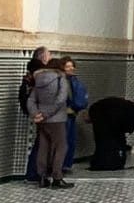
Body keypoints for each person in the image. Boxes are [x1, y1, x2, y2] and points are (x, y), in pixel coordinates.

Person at [26, 57, 74, 190]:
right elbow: (61, 100)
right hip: (57, 119)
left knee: (44, 147)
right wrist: (47, 114)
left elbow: (31, 100)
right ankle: (57, 177)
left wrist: (37, 114)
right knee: (61, 147)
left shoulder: (39, 79)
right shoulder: (61, 79)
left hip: (42, 121)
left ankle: (42, 177)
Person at [19, 46, 52, 181]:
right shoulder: (40, 73)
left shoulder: (31, 73)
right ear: (43, 57)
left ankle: (36, 171)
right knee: (42, 142)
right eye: (49, 55)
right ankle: (35, 172)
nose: (50, 57)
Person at [86, 96, 134, 170]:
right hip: (125, 114)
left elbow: (100, 137)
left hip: (118, 116)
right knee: (116, 140)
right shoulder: (99, 108)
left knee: (105, 141)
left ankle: (105, 163)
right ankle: (117, 162)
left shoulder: (96, 111)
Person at [60, 56, 90, 172]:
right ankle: (61, 165)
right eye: (68, 66)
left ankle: (66, 164)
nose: (71, 68)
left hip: (71, 115)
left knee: (70, 140)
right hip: (63, 116)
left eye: (72, 66)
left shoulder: (74, 81)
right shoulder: (63, 81)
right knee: (64, 141)